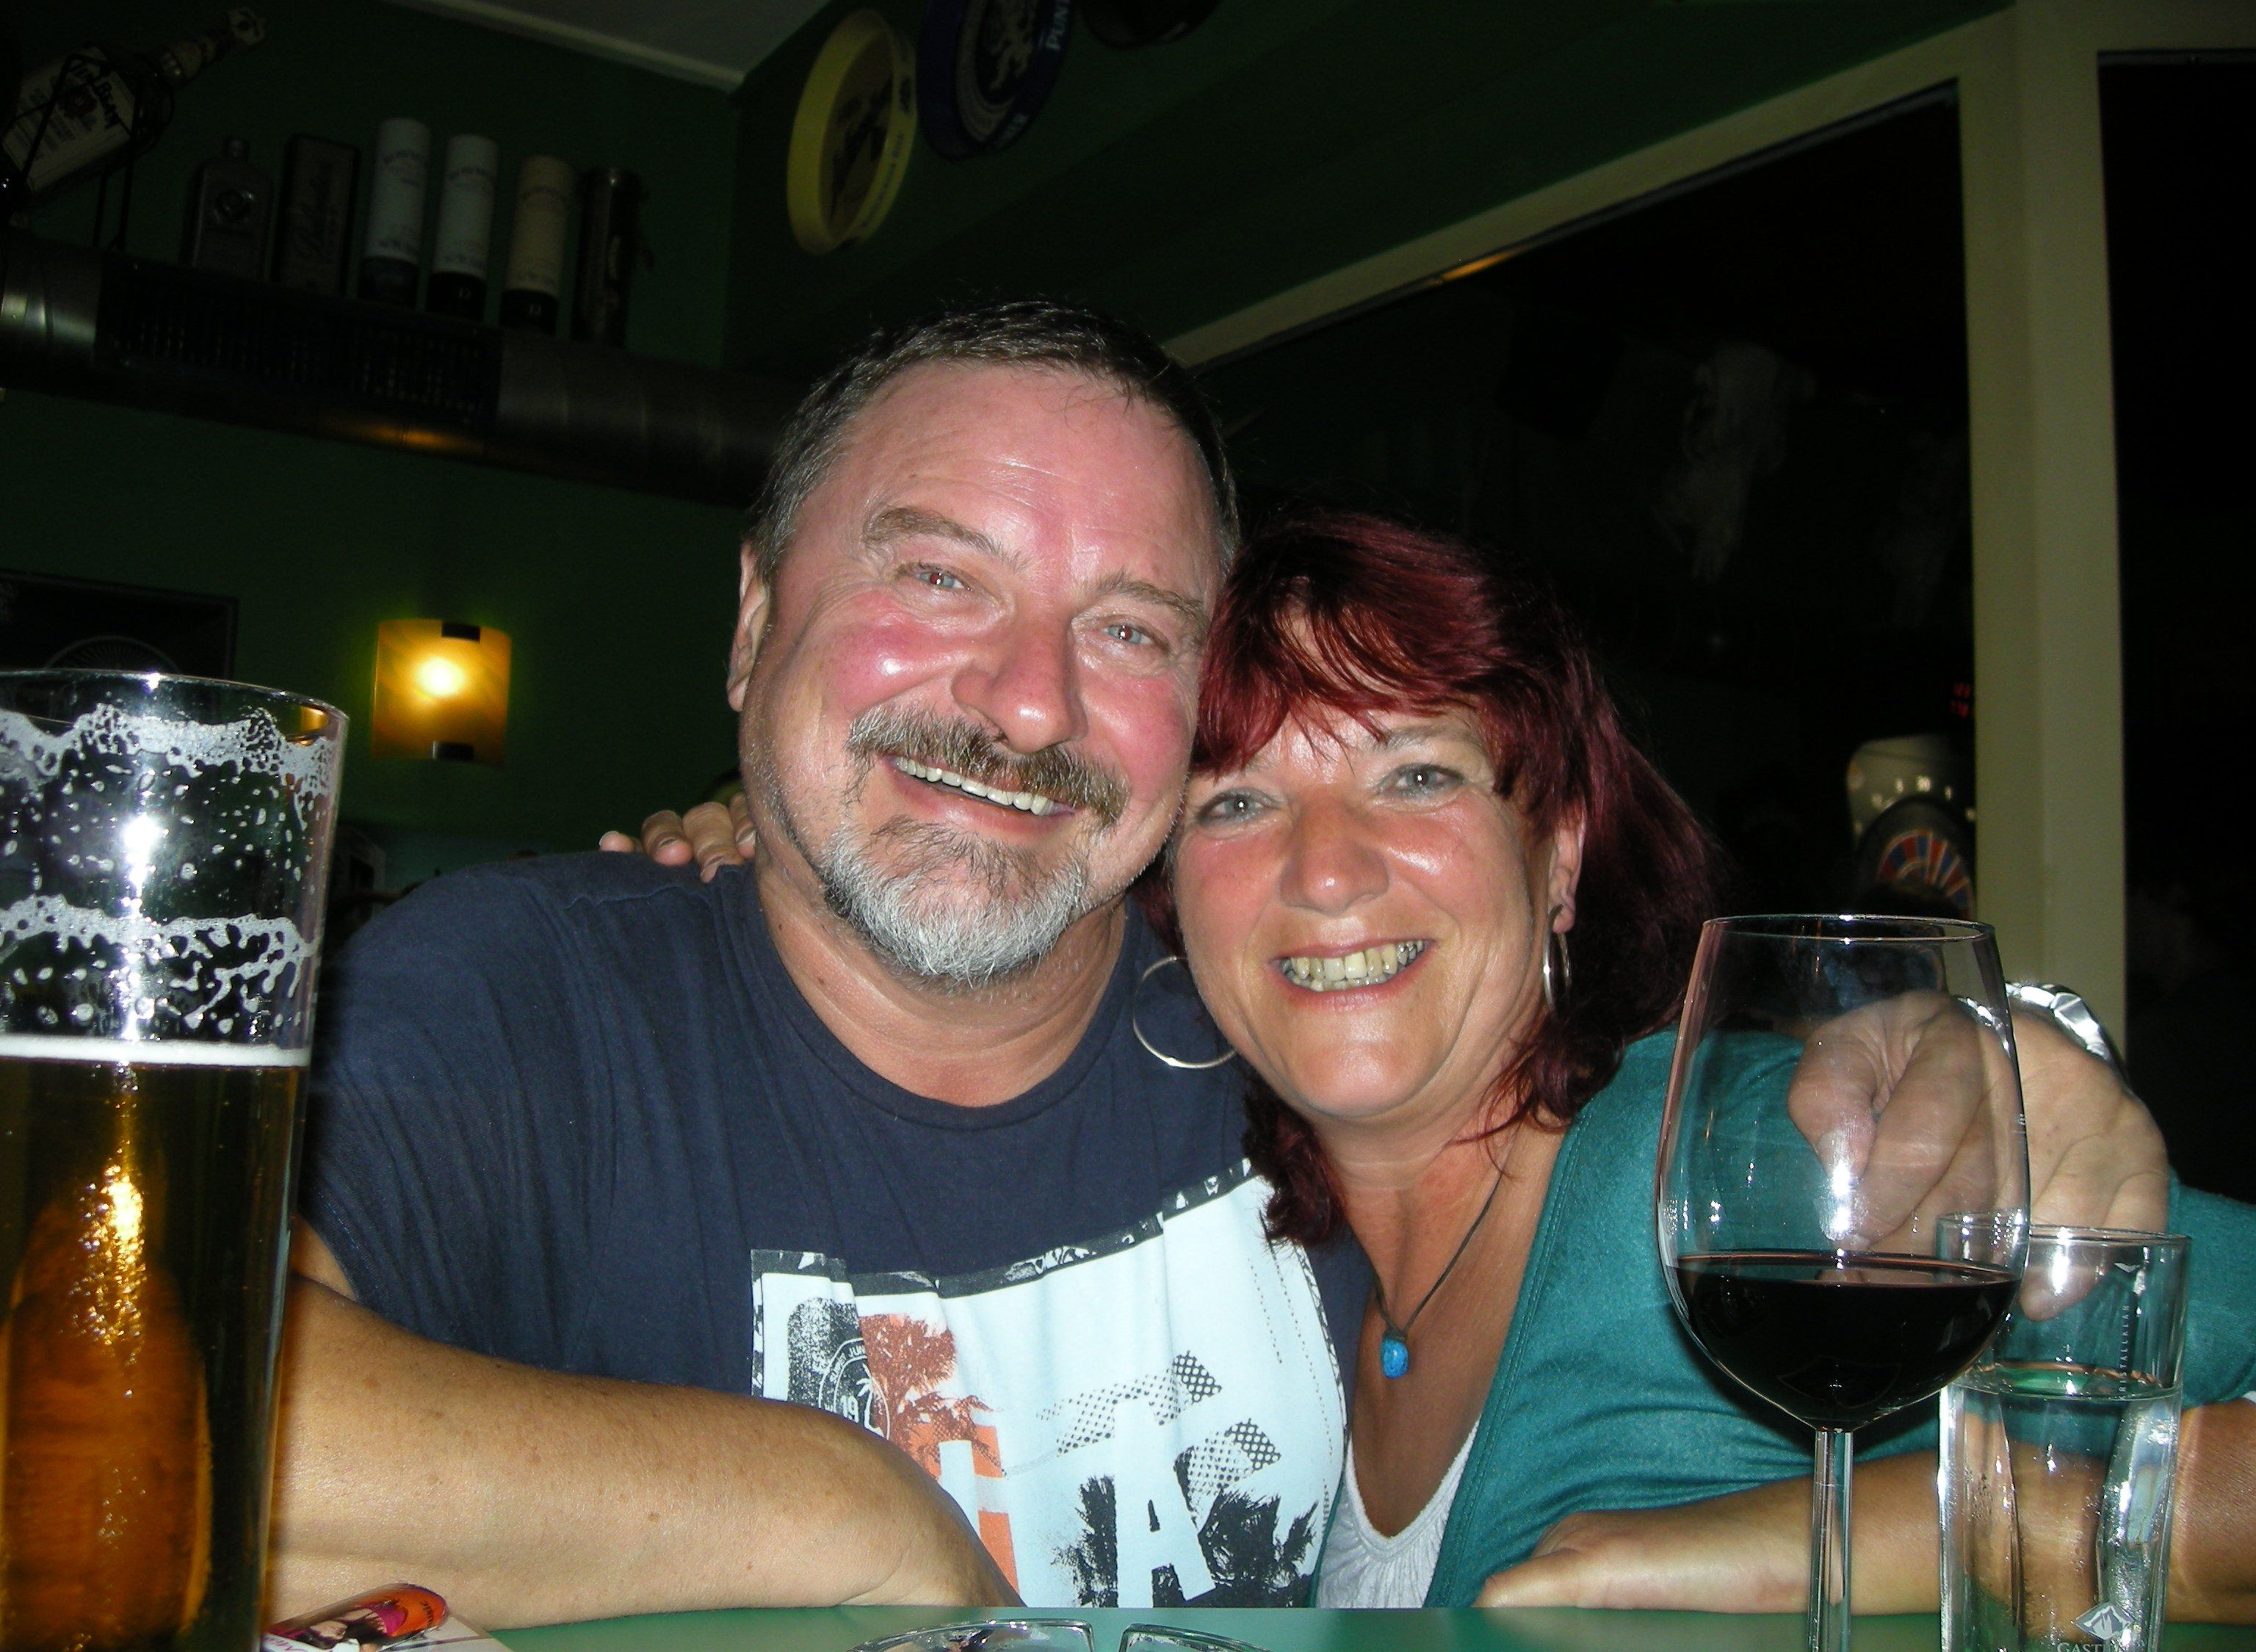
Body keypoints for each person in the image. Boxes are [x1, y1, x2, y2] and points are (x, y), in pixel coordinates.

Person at [278, 299, 2173, 1629]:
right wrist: (853, 1513)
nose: (1030, 700)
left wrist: (1983, 1049)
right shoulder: (524, 1004)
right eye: (938, 576)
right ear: (756, 616)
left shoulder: (1283, 1035)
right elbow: (142, 1394)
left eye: (1129, 628)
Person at [1159, 505, 2255, 1611]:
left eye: (1418, 776)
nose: (1326, 871)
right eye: (1237, 800)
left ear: (1560, 853)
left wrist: (1881, 1537)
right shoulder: (1288, 1290)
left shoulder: (1727, 1167)